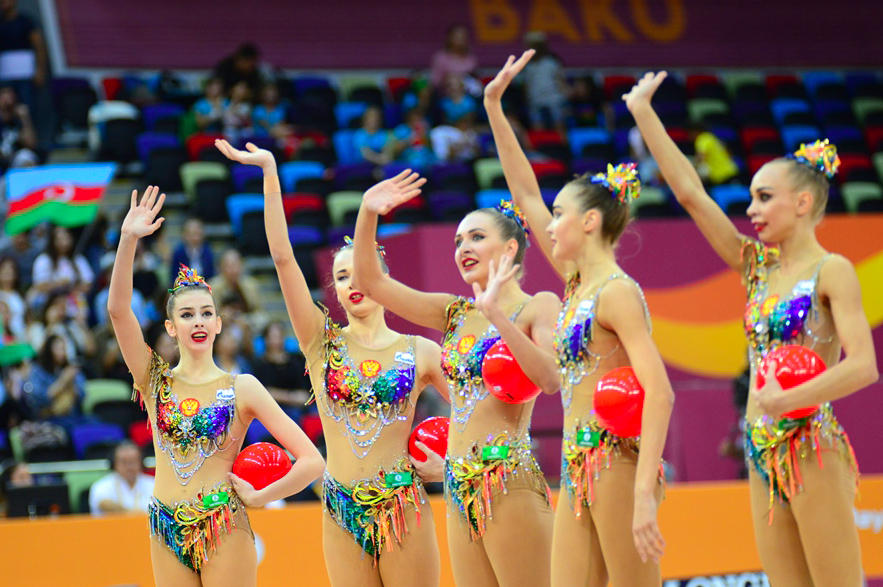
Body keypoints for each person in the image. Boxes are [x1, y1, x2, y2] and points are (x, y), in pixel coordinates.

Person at [625, 71, 879, 587]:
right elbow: (693, 195)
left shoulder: (832, 271)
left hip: (812, 444)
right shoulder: (756, 267)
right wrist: (643, 113)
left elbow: (863, 366)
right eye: (751, 198)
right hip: (762, 452)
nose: (751, 209)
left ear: (803, 203)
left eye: (764, 198)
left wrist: (791, 399)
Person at [215, 139, 449, 586]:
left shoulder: (421, 351)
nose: (353, 281)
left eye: (360, 271)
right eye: (342, 276)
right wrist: (269, 171)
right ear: (336, 291)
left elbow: (478, 413)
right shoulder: (321, 344)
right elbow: (283, 259)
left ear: (382, 277)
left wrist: (450, 461)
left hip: (404, 505)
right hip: (341, 511)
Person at [483, 51, 674, 586]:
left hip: (618, 461)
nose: (549, 223)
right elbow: (524, 193)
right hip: (576, 464)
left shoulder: (616, 293)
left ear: (589, 222)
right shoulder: (574, 284)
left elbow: (659, 393)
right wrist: (494, 106)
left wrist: (642, 494)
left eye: (560, 213)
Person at [107, 185, 324, 584]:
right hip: (166, 528)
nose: (199, 321)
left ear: (219, 323)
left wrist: (261, 497)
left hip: (224, 525)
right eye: (187, 315)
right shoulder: (155, 380)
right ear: (172, 328)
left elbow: (312, 460)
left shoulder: (243, 387)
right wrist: (128, 240)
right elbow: (119, 312)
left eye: (207, 313)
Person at [352, 171, 560, 584]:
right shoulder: (455, 313)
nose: (464, 248)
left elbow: (551, 379)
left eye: (477, 237)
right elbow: (371, 282)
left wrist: (498, 314)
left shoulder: (539, 306)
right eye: (458, 242)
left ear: (511, 247)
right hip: (458, 488)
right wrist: (367, 213)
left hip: (508, 480)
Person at [22, 333, 85, 419]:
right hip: (50, 417)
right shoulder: (38, 371)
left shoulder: (70, 369)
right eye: (58, 349)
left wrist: (72, 384)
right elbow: (40, 398)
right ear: (49, 350)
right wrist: (63, 380)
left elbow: (82, 395)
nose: (62, 353)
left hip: (73, 415)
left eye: (63, 349)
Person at [89, 440, 154, 515]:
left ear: (141, 462)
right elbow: (103, 504)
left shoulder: (152, 483)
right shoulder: (101, 485)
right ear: (114, 463)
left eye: (133, 461)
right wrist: (132, 514)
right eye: (124, 462)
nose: (129, 466)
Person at [521, 32, 568, 133]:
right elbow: (526, 84)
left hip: (553, 98)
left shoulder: (551, 62)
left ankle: (562, 143)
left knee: (558, 120)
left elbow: (560, 80)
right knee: (536, 121)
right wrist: (527, 98)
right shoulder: (528, 66)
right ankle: (540, 143)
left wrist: (564, 95)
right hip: (535, 99)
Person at [430, 24, 479, 94]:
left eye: (463, 37)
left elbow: (474, 79)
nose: (461, 39)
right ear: (449, 38)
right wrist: (450, 80)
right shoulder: (441, 57)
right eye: (458, 36)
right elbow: (436, 82)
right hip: (446, 96)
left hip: (467, 95)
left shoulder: (471, 58)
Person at [0, 84, 38, 170]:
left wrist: (25, 119)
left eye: (10, 93)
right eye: (3, 94)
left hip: (12, 160)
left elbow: (31, 144)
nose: (8, 97)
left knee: (26, 155)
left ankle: (27, 183)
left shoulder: (18, 117)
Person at [169, 217, 215, 283]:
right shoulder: (178, 253)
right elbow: (174, 276)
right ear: (184, 235)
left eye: (197, 234)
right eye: (192, 234)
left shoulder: (207, 252)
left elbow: (211, 275)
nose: (195, 238)